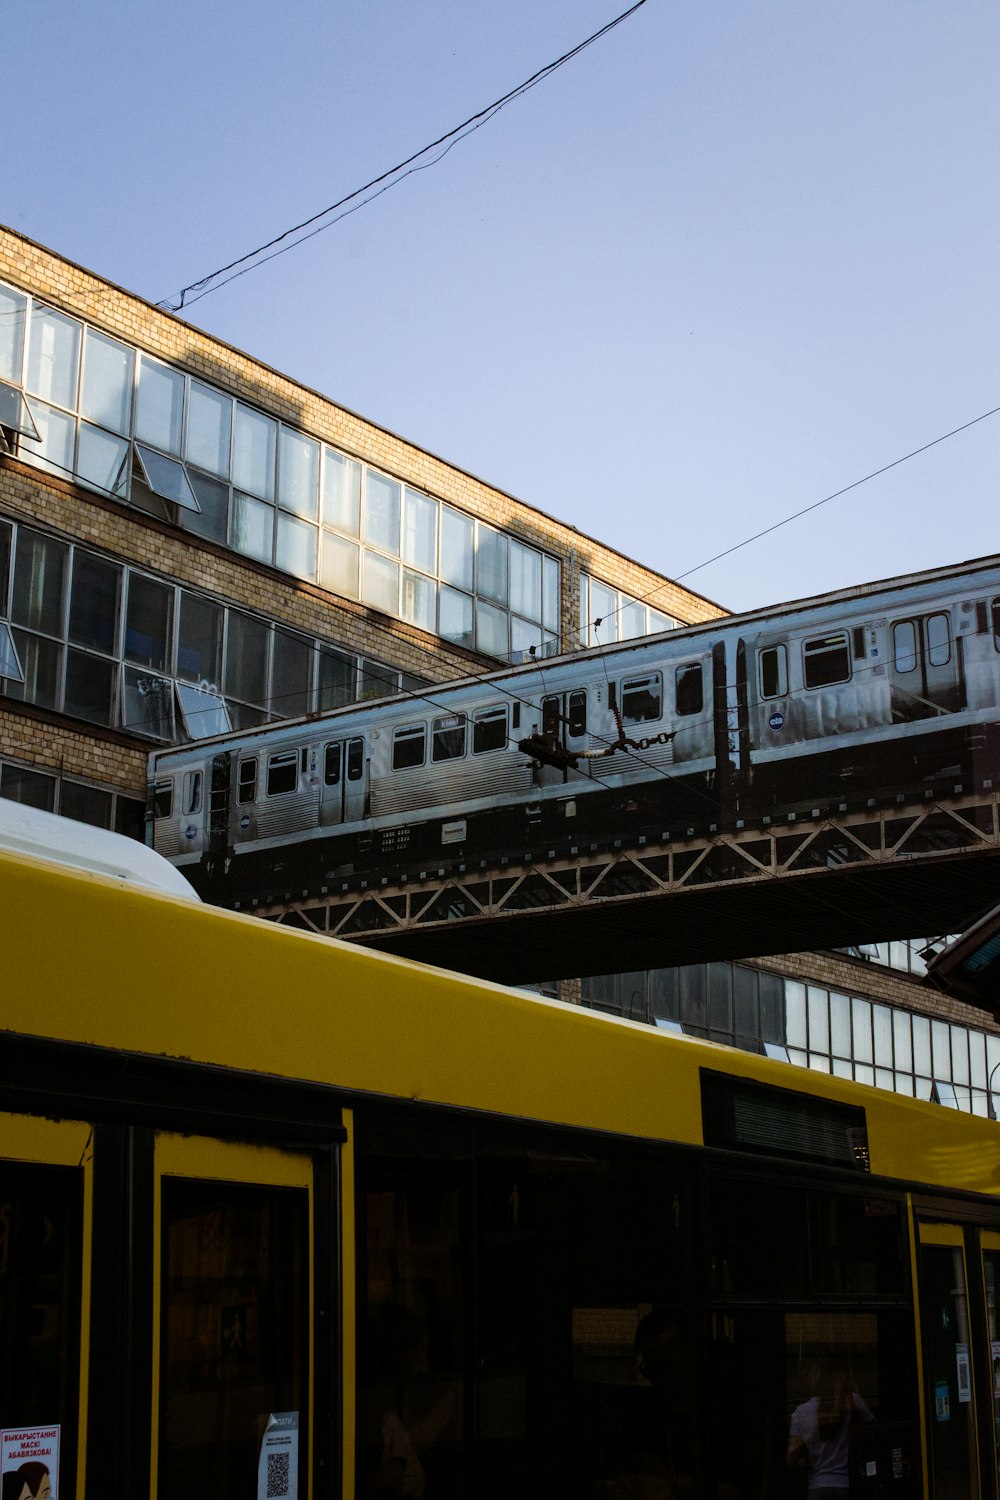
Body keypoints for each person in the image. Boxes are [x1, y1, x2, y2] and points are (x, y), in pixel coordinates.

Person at [786, 1361, 872, 1498]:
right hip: (846, 1485)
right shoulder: (853, 1401)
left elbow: (791, 1459)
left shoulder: (800, 1413)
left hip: (817, 1487)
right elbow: (875, 1429)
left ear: (813, 1381)